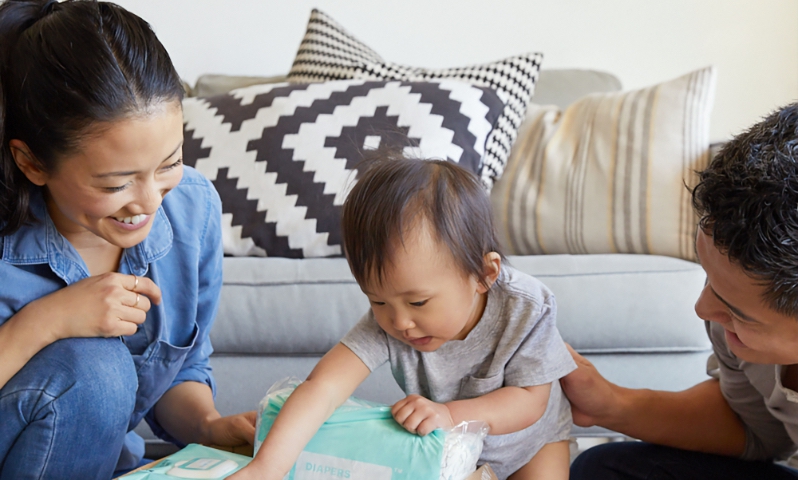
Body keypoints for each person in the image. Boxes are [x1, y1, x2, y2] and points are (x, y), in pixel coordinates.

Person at [0, 1, 255, 478]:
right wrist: (45, 322)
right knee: (95, 368)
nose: (149, 202)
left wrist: (209, 426)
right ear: (31, 162)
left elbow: (182, 369)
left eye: (168, 164)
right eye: (115, 184)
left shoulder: (193, 208)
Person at [230, 153, 577, 480]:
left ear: (484, 275)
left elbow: (531, 400)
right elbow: (323, 386)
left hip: (533, 441)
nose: (400, 323)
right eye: (377, 301)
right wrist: (267, 467)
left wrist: (451, 415)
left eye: (419, 302)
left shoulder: (527, 306)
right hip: (453, 446)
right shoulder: (391, 321)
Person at [564, 103, 798, 479]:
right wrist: (608, 404)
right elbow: (755, 432)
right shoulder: (738, 328)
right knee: (603, 468)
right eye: (709, 278)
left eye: (737, 311)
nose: (703, 310)